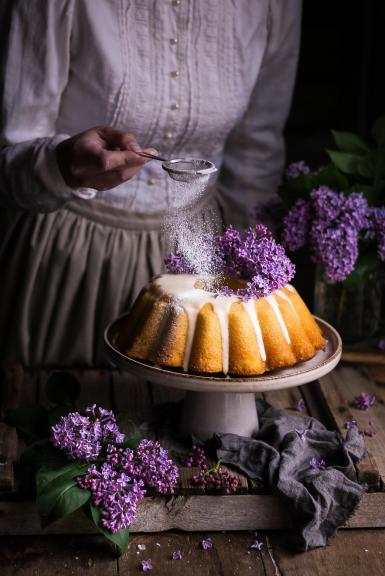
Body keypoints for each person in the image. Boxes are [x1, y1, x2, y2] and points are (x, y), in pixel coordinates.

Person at [0, 0, 302, 367]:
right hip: (68, 262)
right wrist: (62, 164)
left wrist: (255, 286)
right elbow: (9, 162)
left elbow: (257, 153)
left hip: (202, 261)